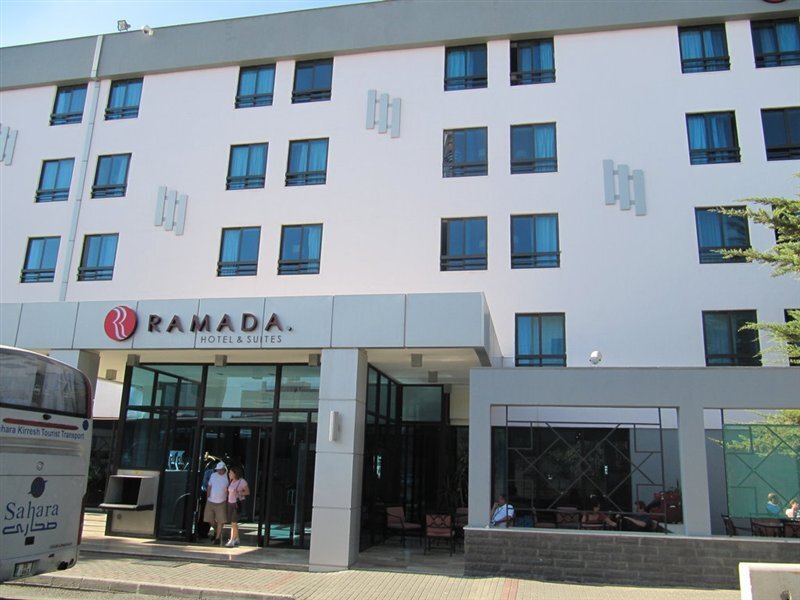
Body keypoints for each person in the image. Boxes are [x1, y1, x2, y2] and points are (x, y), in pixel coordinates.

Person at [203, 462, 229, 545]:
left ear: (224, 469)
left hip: (222, 501)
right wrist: (208, 496)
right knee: (209, 519)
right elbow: (209, 486)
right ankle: (216, 530)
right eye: (218, 469)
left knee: (221, 520)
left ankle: (217, 537)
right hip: (211, 500)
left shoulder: (228, 477)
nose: (219, 471)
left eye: (220, 469)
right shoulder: (213, 475)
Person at [225, 465, 250, 547]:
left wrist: (239, 492)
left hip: (237, 503)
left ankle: (232, 540)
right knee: (233, 522)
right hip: (230, 503)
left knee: (233, 522)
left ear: (235, 473)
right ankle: (236, 538)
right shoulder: (231, 481)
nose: (229, 474)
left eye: (231, 472)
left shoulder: (242, 481)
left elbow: (247, 492)